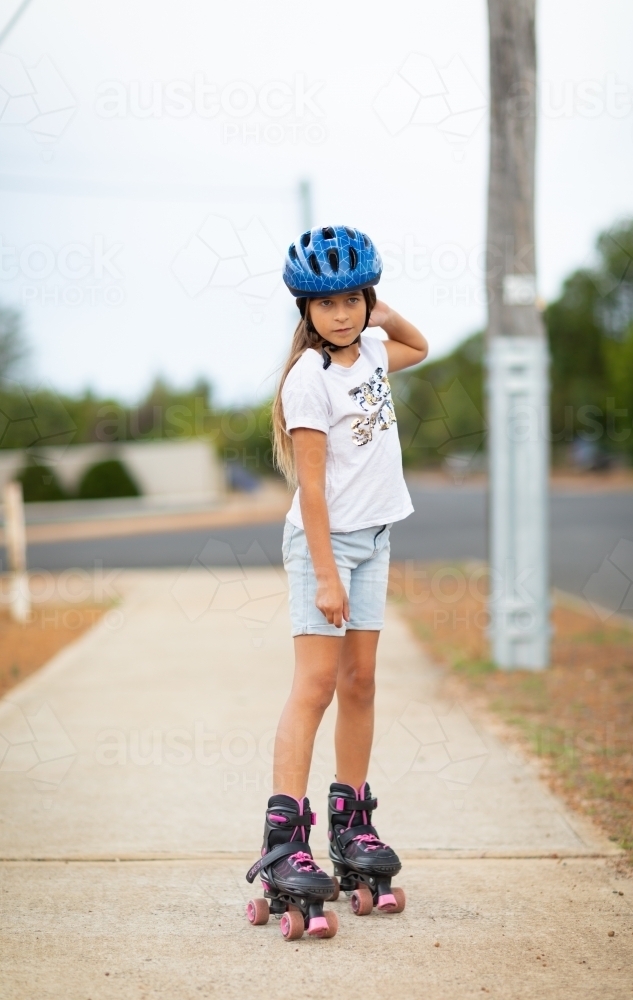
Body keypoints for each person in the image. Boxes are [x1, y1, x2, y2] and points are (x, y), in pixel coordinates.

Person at [245, 225, 428, 940]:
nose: (342, 313)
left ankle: (352, 824)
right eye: (326, 304)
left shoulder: (375, 350)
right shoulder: (307, 380)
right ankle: (285, 837)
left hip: (376, 537)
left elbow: (419, 347)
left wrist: (387, 316)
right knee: (315, 684)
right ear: (305, 310)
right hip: (325, 546)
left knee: (361, 682)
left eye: (353, 298)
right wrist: (326, 576)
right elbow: (311, 491)